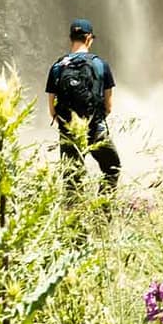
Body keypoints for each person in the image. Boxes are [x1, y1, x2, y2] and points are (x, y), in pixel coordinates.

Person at [46, 18, 121, 199]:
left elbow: (52, 110)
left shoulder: (57, 67)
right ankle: (101, 215)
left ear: (71, 38)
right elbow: (109, 107)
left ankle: (73, 221)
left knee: (72, 180)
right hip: (96, 129)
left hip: (69, 132)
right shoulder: (100, 65)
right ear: (88, 38)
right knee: (112, 168)